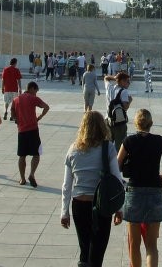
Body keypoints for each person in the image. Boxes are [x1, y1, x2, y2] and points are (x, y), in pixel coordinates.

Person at [61, 111, 124, 267]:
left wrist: (64, 212)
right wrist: (119, 208)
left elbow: (66, 185)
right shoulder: (108, 148)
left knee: (84, 249)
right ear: (103, 126)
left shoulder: (73, 149)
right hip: (101, 206)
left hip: (79, 204)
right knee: (97, 252)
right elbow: (117, 179)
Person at [118, 109, 162, 267]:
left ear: (135, 123)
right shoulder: (160, 141)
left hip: (134, 192)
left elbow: (116, 165)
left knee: (134, 243)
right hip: (154, 192)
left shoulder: (128, 141)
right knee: (152, 246)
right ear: (151, 124)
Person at [13, 81, 50, 187]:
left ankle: (22, 179)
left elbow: (13, 113)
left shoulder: (16, 99)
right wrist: (39, 117)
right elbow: (46, 107)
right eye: (36, 91)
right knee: (36, 155)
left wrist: (17, 120)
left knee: (22, 156)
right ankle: (32, 174)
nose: (36, 94)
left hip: (21, 131)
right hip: (33, 130)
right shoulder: (33, 98)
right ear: (32, 88)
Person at [108, 72, 132, 151]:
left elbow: (106, 78)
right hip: (119, 123)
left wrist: (116, 78)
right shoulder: (123, 91)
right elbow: (125, 107)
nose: (129, 83)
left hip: (109, 120)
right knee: (120, 147)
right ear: (122, 81)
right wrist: (130, 101)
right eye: (127, 81)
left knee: (108, 145)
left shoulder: (110, 87)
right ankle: (118, 162)